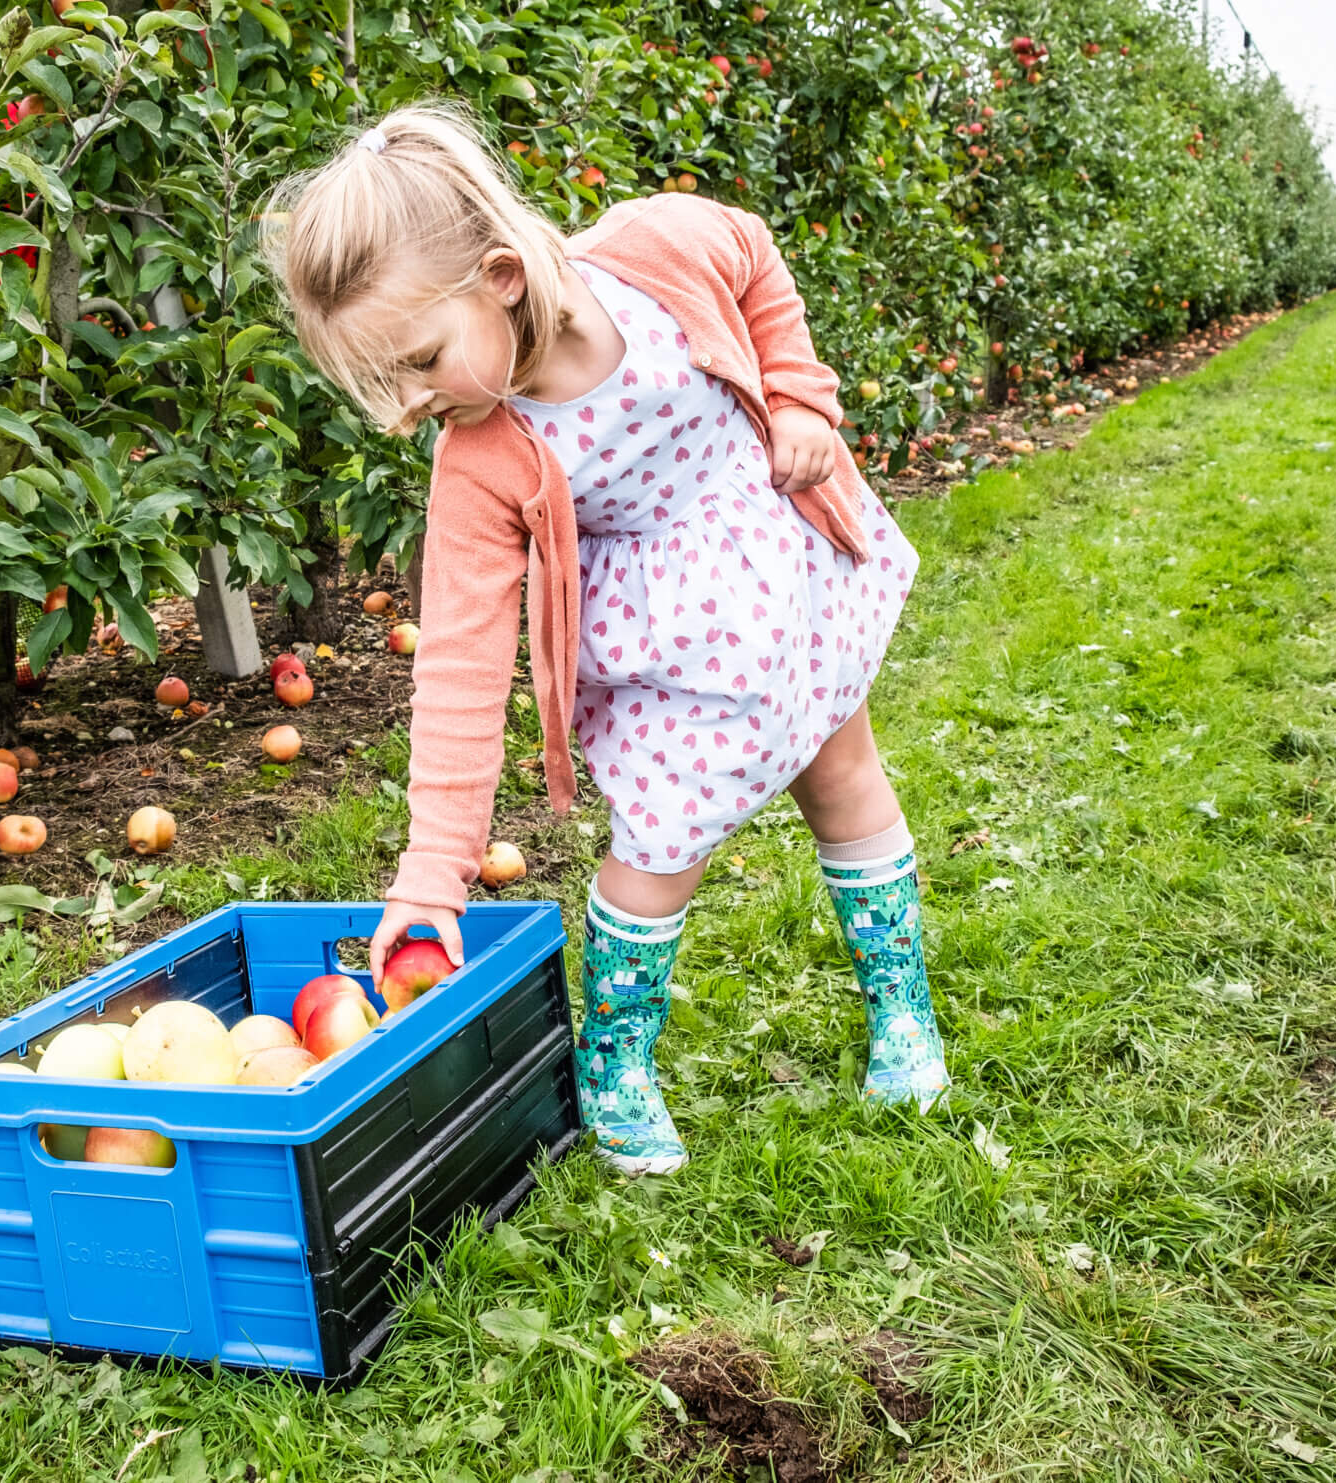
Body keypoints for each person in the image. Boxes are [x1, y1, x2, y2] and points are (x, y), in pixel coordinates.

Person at [262, 102, 943, 1175]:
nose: (405, 406)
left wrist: (800, 396)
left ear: (500, 277)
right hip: (672, 648)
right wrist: (433, 874)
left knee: (845, 775)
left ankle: (902, 1014)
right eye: (383, 383)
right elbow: (458, 664)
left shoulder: (655, 249)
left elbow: (754, 260)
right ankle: (617, 1063)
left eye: (420, 362)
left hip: (784, 568)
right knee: (658, 847)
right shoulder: (481, 454)